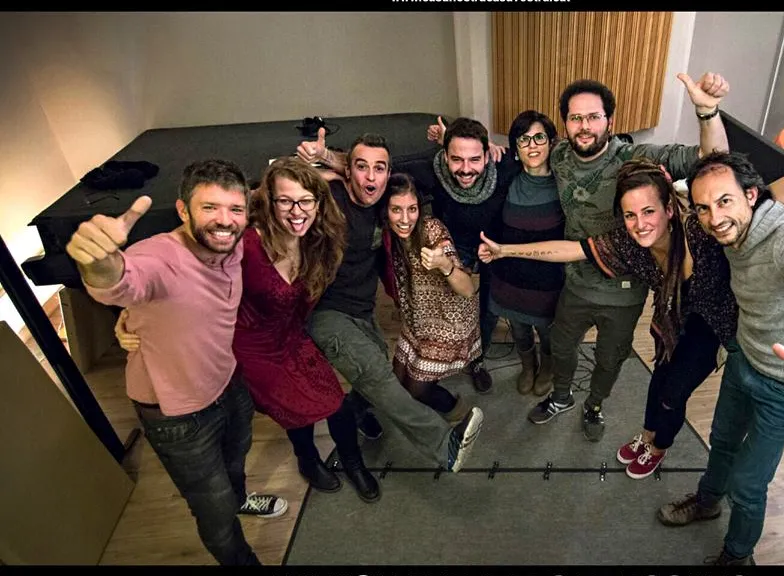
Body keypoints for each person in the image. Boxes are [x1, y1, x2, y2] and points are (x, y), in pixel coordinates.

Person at [478, 125, 784, 484]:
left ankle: (659, 446)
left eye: (649, 211)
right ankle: (648, 435)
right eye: (630, 215)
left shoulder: (702, 227)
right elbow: (571, 249)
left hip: (717, 326)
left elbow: (773, 196)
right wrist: (506, 250)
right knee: (658, 383)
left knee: (673, 392)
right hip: (674, 320)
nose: (640, 223)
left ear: (670, 208)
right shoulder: (629, 243)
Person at [114, 157, 381, 503]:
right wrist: (130, 312)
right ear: (268, 202)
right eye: (285, 201)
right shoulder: (246, 245)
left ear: (318, 204)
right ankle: (308, 459)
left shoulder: (318, 240)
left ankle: (352, 463)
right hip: (252, 349)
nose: (296, 211)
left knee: (335, 404)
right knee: (298, 410)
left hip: (291, 337)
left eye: (306, 200)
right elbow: (185, 273)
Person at [65, 159, 287, 566]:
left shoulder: (232, 244)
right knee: (214, 511)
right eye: (209, 207)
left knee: (236, 462)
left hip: (228, 383)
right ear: (183, 210)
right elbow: (121, 280)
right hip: (177, 414)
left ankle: (241, 499)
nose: (225, 220)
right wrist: (97, 261)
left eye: (235, 209)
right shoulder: (159, 257)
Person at [656, 150, 784, 566]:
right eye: (703, 207)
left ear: (752, 196)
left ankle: (736, 556)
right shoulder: (732, 230)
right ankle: (707, 501)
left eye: (725, 201)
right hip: (744, 358)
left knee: (749, 484)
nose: (715, 217)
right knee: (721, 441)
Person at [528, 73, 731, 442]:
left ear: (610, 121)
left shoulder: (634, 159)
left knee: (610, 359)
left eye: (594, 117)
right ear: (565, 123)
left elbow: (712, 160)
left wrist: (707, 113)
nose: (584, 126)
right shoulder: (559, 156)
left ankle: (594, 405)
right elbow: (523, 153)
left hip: (624, 293)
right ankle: (561, 396)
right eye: (575, 118)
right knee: (561, 347)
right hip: (575, 283)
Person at [297, 132, 484, 473]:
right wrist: (321, 161)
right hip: (325, 311)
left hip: (373, 312)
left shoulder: (403, 218)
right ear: (349, 170)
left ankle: (357, 413)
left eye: (379, 169)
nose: (370, 177)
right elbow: (284, 187)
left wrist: (444, 264)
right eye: (361, 167)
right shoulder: (331, 197)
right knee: (379, 375)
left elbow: (465, 285)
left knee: (380, 371)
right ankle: (444, 445)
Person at [416, 117, 521, 394]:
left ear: (487, 155)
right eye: (456, 159)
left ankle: (477, 360)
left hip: (496, 247)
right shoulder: (431, 168)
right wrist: (327, 160)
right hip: (454, 247)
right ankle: (443, 357)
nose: (465, 169)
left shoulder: (504, 163)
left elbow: (542, 157)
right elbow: (381, 171)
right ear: (445, 155)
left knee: (489, 308)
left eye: (475, 159)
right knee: (451, 305)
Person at [379, 173, 480, 423]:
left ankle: (456, 410)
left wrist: (445, 264)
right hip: (416, 320)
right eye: (396, 209)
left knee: (417, 390)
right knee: (398, 378)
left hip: (448, 325)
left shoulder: (432, 230)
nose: (405, 219)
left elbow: (468, 288)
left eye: (412, 209)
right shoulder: (385, 234)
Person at [487, 110, 565, 396]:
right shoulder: (506, 177)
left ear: (551, 142)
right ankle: (528, 366)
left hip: (549, 279)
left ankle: (547, 367)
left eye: (539, 137)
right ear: (516, 148)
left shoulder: (564, 184)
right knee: (519, 329)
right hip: (510, 276)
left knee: (548, 331)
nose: (532, 145)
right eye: (523, 139)